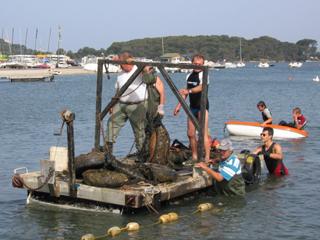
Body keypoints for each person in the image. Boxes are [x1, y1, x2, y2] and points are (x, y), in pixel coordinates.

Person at [104, 52, 165, 159]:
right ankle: (107, 153)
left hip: (138, 105)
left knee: (140, 131)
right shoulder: (120, 73)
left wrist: (145, 70)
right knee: (111, 125)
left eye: (130, 63)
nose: (129, 66)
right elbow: (118, 90)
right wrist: (112, 104)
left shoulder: (138, 69)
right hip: (121, 104)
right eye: (126, 64)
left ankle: (143, 155)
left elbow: (150, 80)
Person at [173, 54, 210, 162]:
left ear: (203, 64)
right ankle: (194, 156)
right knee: (190, 134)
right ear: (192, 63)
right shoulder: (189, 75)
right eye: (195, 64)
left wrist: (188, 91)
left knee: (203, 133)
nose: (197, 66)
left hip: (202, 107)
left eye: (199, 64)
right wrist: (178, 106)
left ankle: (207, 158)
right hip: (192, 107)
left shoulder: (204, 74)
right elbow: (185, 93)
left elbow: (201, 87)